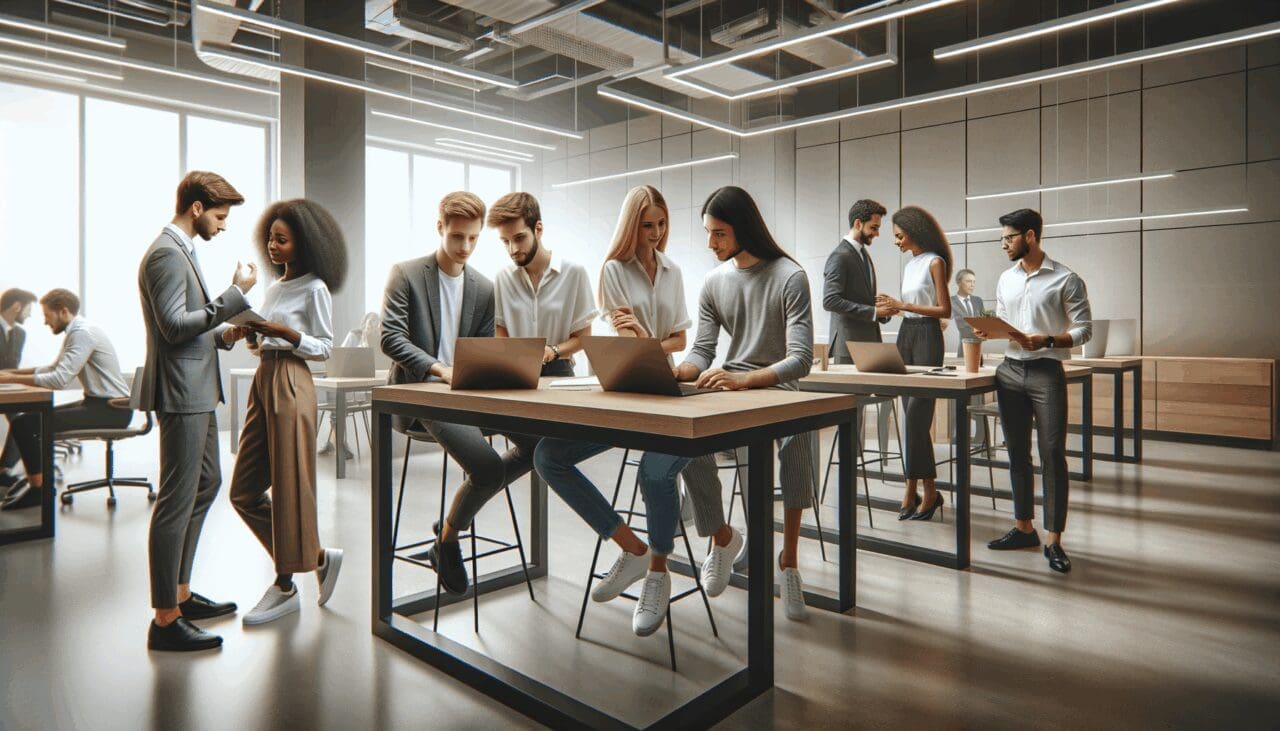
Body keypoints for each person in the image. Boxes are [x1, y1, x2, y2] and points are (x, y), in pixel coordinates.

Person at [533, 185, 742, 638]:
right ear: (632, 226)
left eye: (662, 224)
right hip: (622, 389)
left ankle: (659, 573)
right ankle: (633, 547)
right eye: (647, 225)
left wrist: (647, 335)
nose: (655, 233)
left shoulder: (673, 271)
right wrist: (650, 338)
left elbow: (680, 341)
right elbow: (629, 342)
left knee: (656, 471)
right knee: (548, 456)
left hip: (665, 390)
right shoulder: (612, 270)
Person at [380, 191, 541, 597]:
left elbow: (482, 348)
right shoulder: (405, 274)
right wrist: (438, 368)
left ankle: (446, 532)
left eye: (472, 238)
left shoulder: (483, 287)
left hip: (467, 395)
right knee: (487, 469)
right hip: (423, 395)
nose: (465, 247)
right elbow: (390, 337)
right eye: (456, 237)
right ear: (440, 229)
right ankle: (448, 541)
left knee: (540, 447)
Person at [677, 185, 817, 621]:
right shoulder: (713, 282)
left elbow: (801, 360)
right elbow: (702, 350)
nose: (710, 243)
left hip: (775, 386)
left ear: (743, 228)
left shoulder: (790, 277)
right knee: (686, 433)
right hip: (728, 385)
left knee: (799, 437)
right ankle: (721, 538)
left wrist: (743, 381)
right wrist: (679, 371)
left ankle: (787, 562)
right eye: (707, 233)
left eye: (718, 233)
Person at [138, 171, 257, 652]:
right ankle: (165, 619)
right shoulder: (166, 253)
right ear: (196, 209)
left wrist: (226, 334)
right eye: (220, 217)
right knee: (176, 499)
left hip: (197, 389)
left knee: (206, 485)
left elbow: (190, 324)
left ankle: (181, 594)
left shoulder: (181, 250)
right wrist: (233, 296)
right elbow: (171, 327)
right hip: (181, 393)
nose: (223, 226)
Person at [228, 199, 348, 625]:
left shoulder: (314, 287)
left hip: (294, 381)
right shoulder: (276, 288)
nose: (272, 246)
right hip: (265, 376)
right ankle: (314, 557)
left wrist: (285, 332)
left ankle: (284, 586)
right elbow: (266, 342)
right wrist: (253, 335)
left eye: (281, 239)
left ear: (303, 242)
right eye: (270, 238)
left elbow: (325, 347)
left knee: (290, 487)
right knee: (243, 492)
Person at [975, 208, 1092, 574]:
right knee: (1017, 453)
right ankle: (1024, 527)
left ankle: (1054, 540)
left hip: (1046, 371)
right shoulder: (1005, 279)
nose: (1003, 244)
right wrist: (990, 331)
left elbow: (1085, 329)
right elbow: (1008, 323)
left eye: (1008, 238)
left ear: (1029, 236)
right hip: (1008, 371)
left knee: (1052, 452)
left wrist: (1050, 339)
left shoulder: (1066, 279)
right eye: (1002, 239)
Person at [0, 289, 129, 511]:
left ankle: (38, 489)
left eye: (47, 315)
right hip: (99, 404)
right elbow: (52, 368)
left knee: (24, 423)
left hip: (111, 409)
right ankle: (36, 482)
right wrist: (12, 375)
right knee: (31, 420)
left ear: (63, 311)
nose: (45, 321)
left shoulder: (82, 334)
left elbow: (59, 379)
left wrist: (13, 377)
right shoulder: (78, 330)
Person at [875, 206, 953, 522]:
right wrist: (892, 308)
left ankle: (916, 490)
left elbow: (944, 310)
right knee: (910, 418)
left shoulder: (935, 262)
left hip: (927, 337)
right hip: (905, 333)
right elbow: (910, 307)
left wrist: (903, 304)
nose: (895, 242)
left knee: (917, 418)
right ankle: (926, 491)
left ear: (913, 231)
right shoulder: (910, 265)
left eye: (898, 235)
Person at [488, 192, 596, 378]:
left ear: (538, 229)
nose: (513, 249)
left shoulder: (574, 273)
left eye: (519, 238)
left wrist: (553, 351)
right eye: (506, 242)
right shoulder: (502, 278)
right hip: (514, 372)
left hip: (559, 369)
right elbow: (500, 334)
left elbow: (583, 338)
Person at [824, 199, 892, 361]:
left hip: (869, 344)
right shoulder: (840, 256)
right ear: (858, 223)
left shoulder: (862, 253)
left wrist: (882, 309)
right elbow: (830, 301)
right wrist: (873, 312)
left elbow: (860, 298)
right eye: (874, 227)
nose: (877, 233)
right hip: (849, 346)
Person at [318, 311, 382, 459]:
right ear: (364, 323)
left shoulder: (380, 341)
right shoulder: (355, 335)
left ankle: (334, 442)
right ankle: (339, 443)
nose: (372, 325)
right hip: (347, 382)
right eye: (370, 322)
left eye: (375, 322)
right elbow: (340, 357)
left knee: (338, 403)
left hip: (368, 386)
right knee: (337, 402)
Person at [0, 288, 38, 493]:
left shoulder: (20, 333)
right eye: (28, 309)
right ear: (16, 306)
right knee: (20, 421)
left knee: (21, 421)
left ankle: (4, 469)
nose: (29, 314)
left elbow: (12, 365)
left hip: (7, 389)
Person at [944, 268, 984, 357]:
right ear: (958, 283)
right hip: (962, 349)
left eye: (974, 282)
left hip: (978, 347)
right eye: (968, 281)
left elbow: (983, 323)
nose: (972, 285)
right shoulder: (950, 302)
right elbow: (944, 324)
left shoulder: (978, 301)